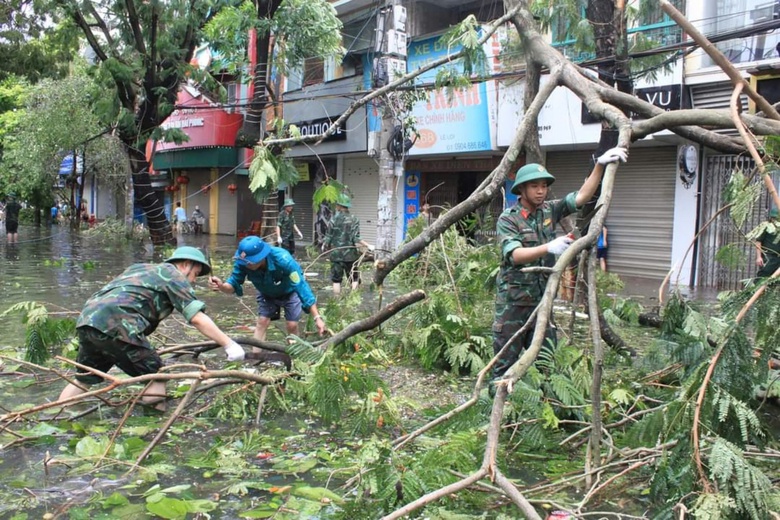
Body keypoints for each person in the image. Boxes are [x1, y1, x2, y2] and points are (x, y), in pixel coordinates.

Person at [491, 147, 628, 384]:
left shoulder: (549, 210)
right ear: (521, 189)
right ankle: (496, 414)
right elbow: (514, 254)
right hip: (512, 306)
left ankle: (543, 414)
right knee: (504, 367)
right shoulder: (509, 219)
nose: (541, 191)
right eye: (535, 186)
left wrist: (600, 165)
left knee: (547, 366)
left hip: (543, 304)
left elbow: (582, 197)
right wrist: (548, 248)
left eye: (544, 185)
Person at [58, 247, 245, 411]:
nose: (194, 281)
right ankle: (154, 424)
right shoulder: (173, 275)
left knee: (84, 378)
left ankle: (57, 416)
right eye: (195, 274)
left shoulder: (140, 268)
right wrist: (229, 344)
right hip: (117, 323)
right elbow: (196, 318)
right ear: (186, 264)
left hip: (88, 320)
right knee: (157, 375)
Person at [209, 236, 327, 345]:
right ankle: (255, 357)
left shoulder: (283, 260)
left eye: (250, 262)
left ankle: (295, 356)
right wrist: (221, 286)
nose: (247, 265)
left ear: (261, 258)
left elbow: (301, 286)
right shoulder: (243, 263)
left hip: (290, 292)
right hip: (266, 293)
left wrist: (317, 317)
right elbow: (233, 284)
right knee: (262, 321)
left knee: (292, 325)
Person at [322, 193, 375, 294]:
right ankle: (353, 299)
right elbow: (356, 238)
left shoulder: (333, 219)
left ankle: (336, 302)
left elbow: (327, 238)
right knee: (354, 278)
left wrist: (325, 246)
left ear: (339, 206)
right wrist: (368, 245)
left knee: (336, 280)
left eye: (337, 204)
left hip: (336, 254)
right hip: (350, 255)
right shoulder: (354, 219)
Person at [755, 207, 780, 278]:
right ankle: (756, 288)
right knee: (763, 278)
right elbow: (758, 242)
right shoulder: (766, 227)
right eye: (773, 218)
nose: (775, 220)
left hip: (778, 258)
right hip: (768, 257)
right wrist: (759, 257)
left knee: (774, 281)